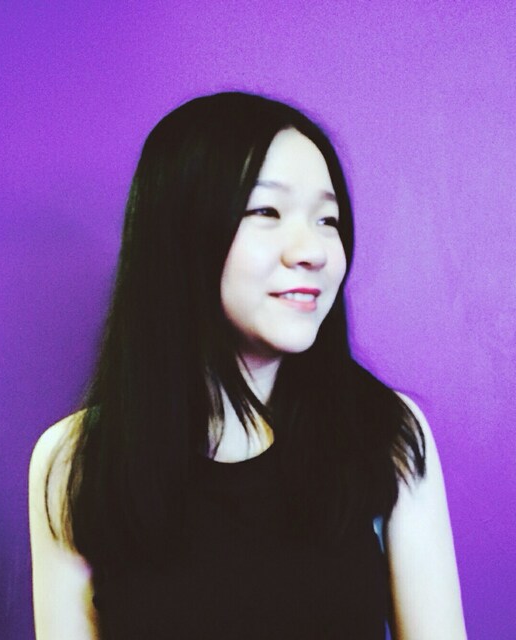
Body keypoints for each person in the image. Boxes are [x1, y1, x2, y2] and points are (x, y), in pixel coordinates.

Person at [29, 92, 467, 639]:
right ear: (180, 231)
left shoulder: (384, 434)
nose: (313, 250)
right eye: (266, 212)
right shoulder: (73, 463)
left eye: (328, 219)